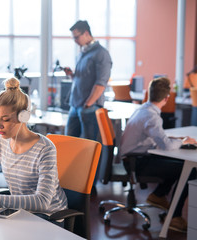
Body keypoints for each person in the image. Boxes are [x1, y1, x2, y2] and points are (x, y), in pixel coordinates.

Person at [0, 77, 67, 225]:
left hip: (48, 216)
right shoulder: (1, 142)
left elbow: (42, 201)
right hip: (21, 211)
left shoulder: (45, 149)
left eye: (5, 119)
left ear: (23, 116)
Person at [120, 77, 197, 233]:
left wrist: (178, 139)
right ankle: (175, 217)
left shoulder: (143, 109)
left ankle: (159, 195)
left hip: (134, 158)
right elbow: (166, 145)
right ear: (167, 98)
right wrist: (182, 142)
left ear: (149, 93)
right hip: (137, 162)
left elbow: (158, 138)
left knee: (176, 163)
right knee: (190, 170)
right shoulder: (152, 116)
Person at [63, 20, 112, 141]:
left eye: (77, 37)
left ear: (86, 33)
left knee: (88, 146)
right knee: (68, 142)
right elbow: (81, 79)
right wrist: (71, 75)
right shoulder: (82, 53)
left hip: (89, 107)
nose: (75, 41)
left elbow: (101, 83)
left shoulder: (101, 54)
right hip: (75, 105)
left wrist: (88, 104)